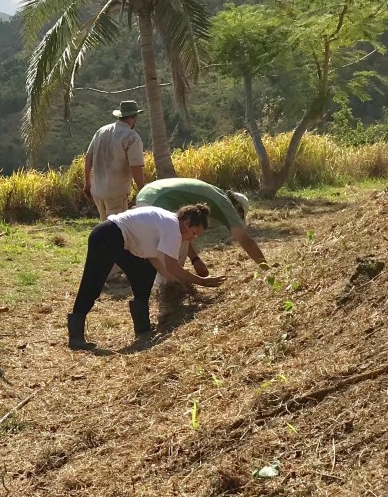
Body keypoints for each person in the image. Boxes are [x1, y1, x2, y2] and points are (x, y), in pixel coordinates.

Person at [67, 204, 227, 350]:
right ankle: (76, 337)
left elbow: (154, 259)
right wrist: (201, 282)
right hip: (107, 236)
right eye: (194, 233)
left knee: (143, 274)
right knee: (93, 283)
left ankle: (142, 328)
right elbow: (172, 266)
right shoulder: (172, 227)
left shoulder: (167, 223)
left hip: (121, 241)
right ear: (186, 223)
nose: (192, 239)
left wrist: (174, 280)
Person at [135, 177, 268, 277]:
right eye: (239, 216)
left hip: (146, 194)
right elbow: (247, 242)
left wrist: (195, 259)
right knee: (173, 250)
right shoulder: (226, 206)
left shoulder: (214, 195)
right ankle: (170, 290)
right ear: (237, 208)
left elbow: (186, 232)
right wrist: (268, 271)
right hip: (158, 199)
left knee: (162, 249)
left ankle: (168, 287)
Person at [84, 100, 146, 220]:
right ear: (135, 117)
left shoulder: (101, 131)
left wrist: (87, 183)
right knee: (116, 229)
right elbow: (136, 167)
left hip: (97, 190)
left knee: (104, 225)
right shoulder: (131, 137)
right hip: (115, 192)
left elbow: (89, 157)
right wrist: (142, 191)